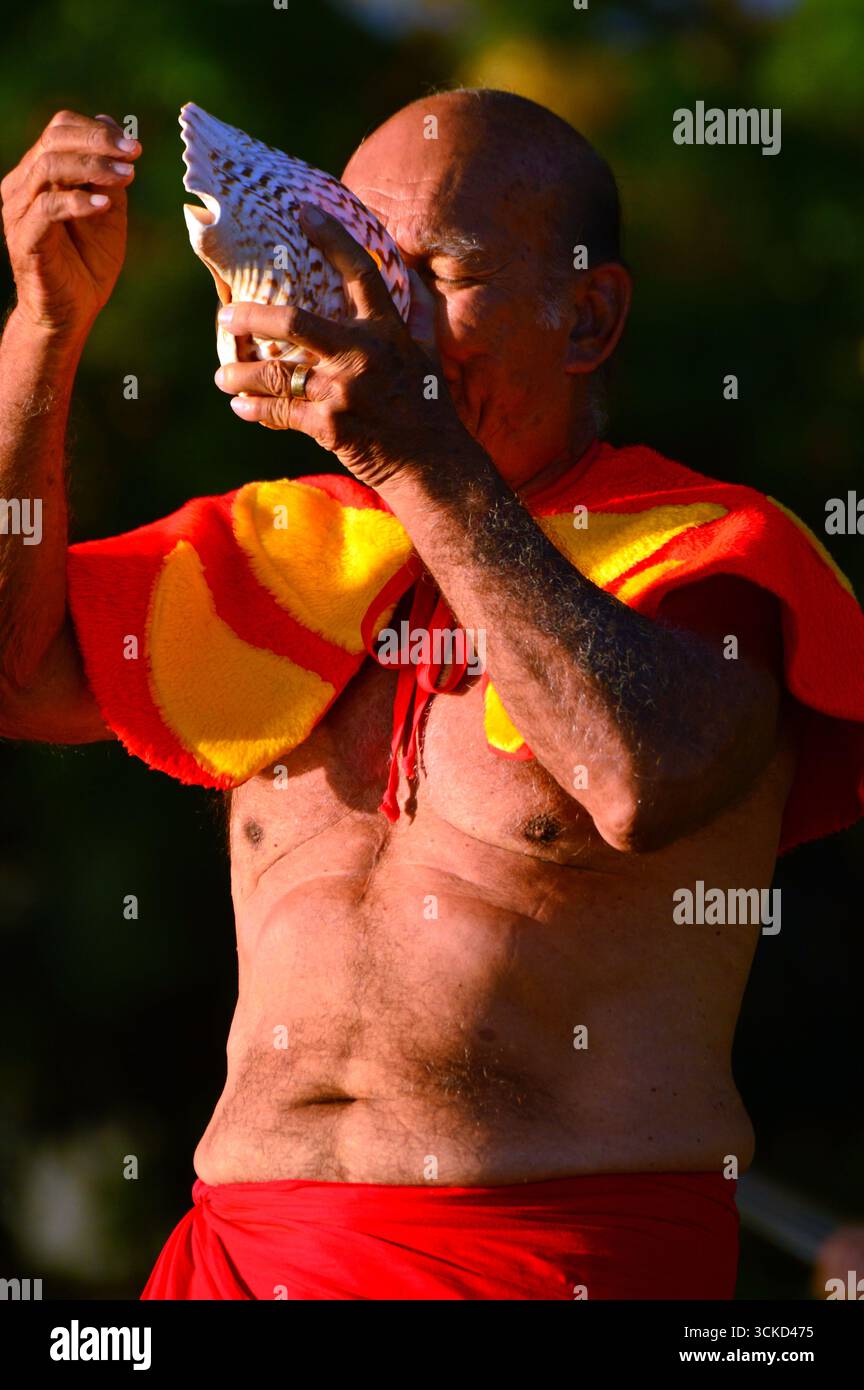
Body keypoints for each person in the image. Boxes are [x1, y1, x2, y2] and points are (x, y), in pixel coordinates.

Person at [1, 89, 862, 1301]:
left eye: (435, 272)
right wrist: (43, 327)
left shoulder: (713, 549)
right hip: (236, 1250)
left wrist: (414, 455)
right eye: (359, 261)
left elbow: (638, 780)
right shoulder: (274, 546)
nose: (380, 312)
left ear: (587, 314)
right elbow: (14, 674)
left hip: (548, 1255)